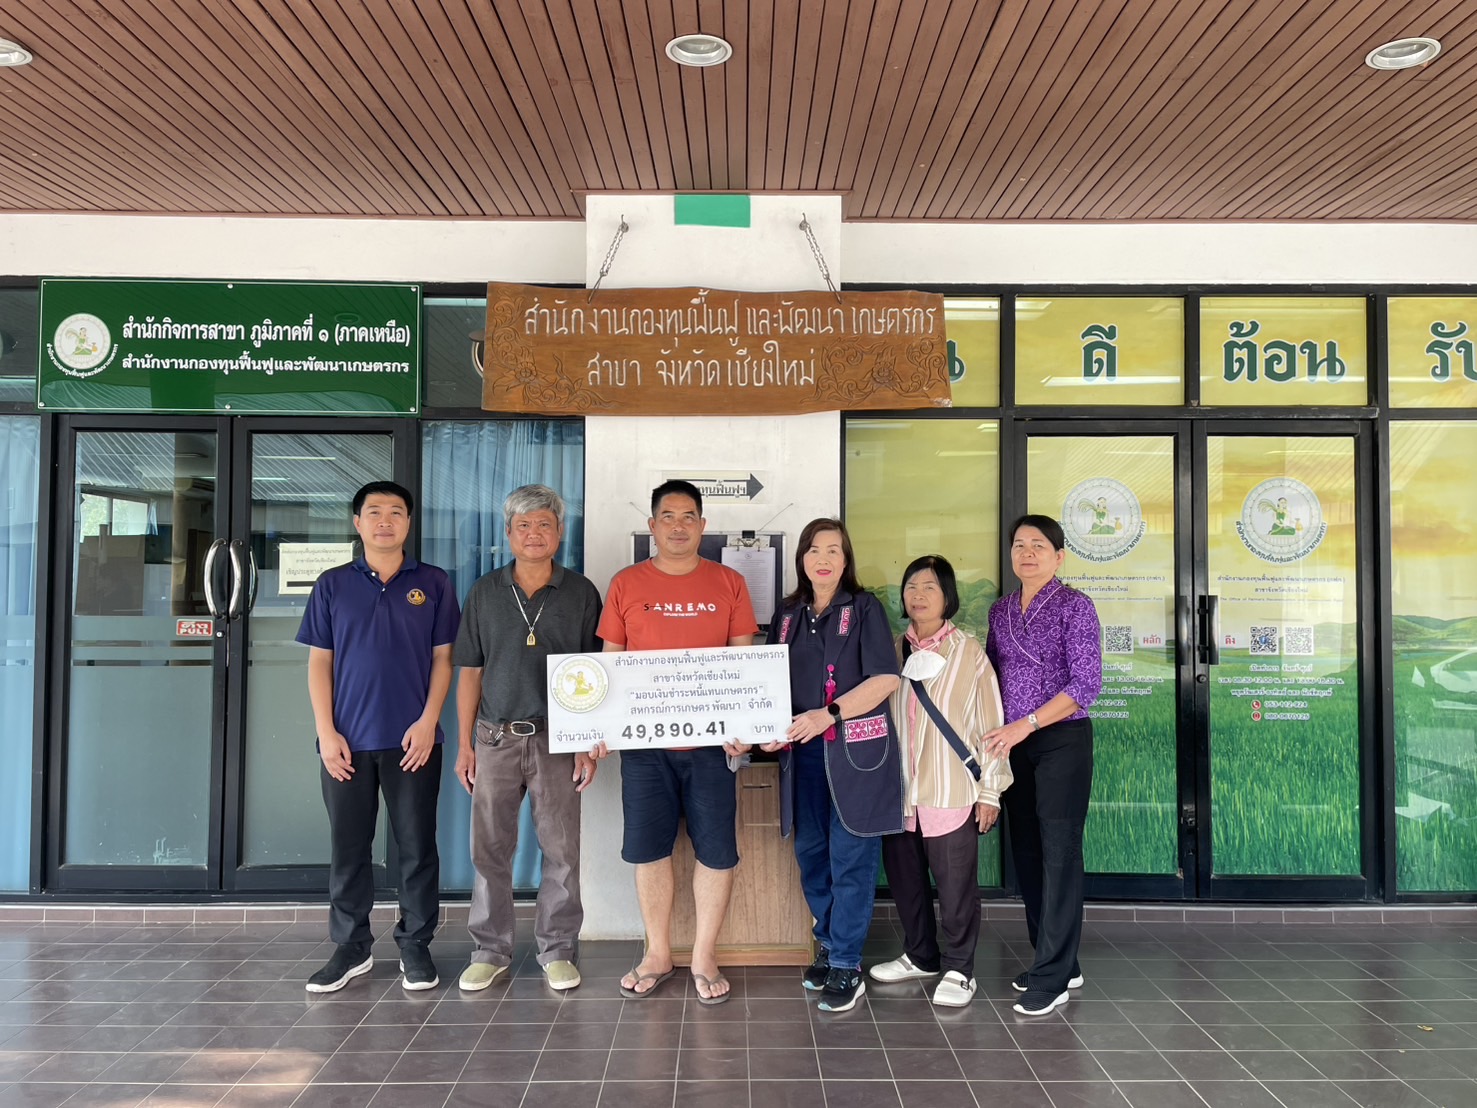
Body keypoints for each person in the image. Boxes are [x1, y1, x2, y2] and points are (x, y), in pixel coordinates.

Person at [594, 479, 757, 1005]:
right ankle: (658, 953)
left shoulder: (729, 582)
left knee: (717, 851)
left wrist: (744, 731)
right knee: (648, 849)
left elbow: (743, 665)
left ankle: (705, 955)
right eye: (668, 516)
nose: (679, 526)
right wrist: (601, 728)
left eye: (689, 517)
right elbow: (611, 666)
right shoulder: (626, 583)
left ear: (703, 526)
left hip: (713, 747)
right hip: (644, 746)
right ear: (652, 526)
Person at [297, 481, 460, 993]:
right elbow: (319, 663)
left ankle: (415, 944)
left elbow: (443, 659)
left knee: (417, 846)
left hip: (415, 741)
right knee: (349, 847)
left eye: (395, 512)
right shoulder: (332, 585)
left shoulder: (433, 583)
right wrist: (326, 732)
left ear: (409, 522)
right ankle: (352, 947)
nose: (385, 521)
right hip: (346, 743)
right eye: (374, 512)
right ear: (357, 523)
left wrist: (429, 721)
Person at [452, 485, 602, 993]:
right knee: (489, 850)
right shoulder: (484, 591)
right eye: (523, 525)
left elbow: (594, 674)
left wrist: (586, 741)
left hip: (558, 740)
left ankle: (557, 949)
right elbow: (470, 671)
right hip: (494, 738)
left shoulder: (581, 593)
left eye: (543, 524)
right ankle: (489, 950)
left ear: (560, 532)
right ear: (508, 533)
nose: (533, 534)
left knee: (561, 851)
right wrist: (466, 744)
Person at [764, 518, 902, 1013]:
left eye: (833, 550)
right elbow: (766, 684)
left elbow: (886, 678)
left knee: (851, 859)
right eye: (814, 550)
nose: (823, 559)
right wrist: (761, 728)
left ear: (846, 560)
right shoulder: (787, 615)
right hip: (802, 754)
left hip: (853, 754)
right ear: (802, 558)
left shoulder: (864, 608)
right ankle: (827, 941)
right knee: (812, 855)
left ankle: (847, 962)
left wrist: (831, 713)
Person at [871, 555, 1013, 1007]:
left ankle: (959, 969)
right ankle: (920, 955)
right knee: (906, 882)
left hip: (950, 789)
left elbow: (991, 724)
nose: (918, 595)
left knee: (956, 888)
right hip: (899, 793)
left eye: (929, 586)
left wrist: (990, 791)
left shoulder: (969, 653)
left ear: (947, 596)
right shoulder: (892, 651)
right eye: (911, 586)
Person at [982, 515, 1101, 1016]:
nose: (1027, 553)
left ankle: (1052, 977)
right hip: (1014, 747)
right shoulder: (1000, 610)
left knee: (1059, 854)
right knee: (1028, 855)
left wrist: (1027, 724)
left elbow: (1086, 684)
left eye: (1038, 545)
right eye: (1019, 545)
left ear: (1059, 556)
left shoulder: (1076, 606)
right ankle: (1057, 962)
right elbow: (988, 676)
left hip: (1060, 742)